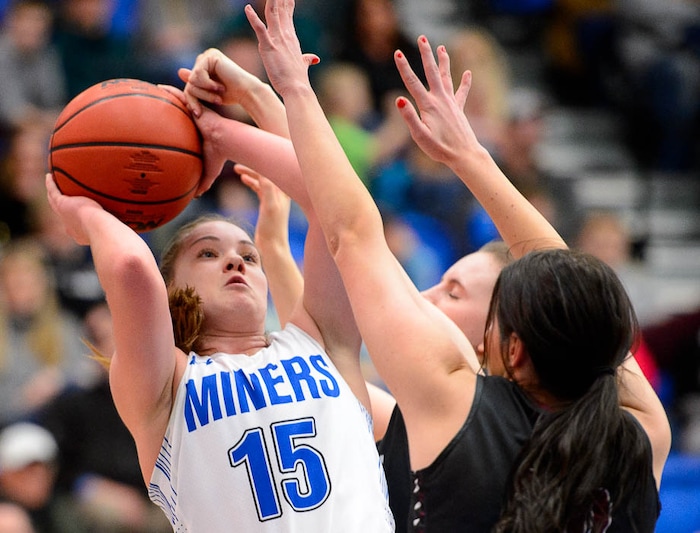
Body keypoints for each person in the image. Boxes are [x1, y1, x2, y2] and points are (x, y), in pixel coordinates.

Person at [231, 2, 671, 530]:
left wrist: (284, 92)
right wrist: (471, 156)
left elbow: (350, 239)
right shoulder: (642, 434)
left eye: (458, 293)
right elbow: (571, 292)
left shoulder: (449, 400)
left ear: (507, 346)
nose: (425, 297)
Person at [45, 89, 394, 532]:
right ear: (171, 289)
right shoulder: (166, 382)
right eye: (207, 254)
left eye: (249, 257)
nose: (235, 262)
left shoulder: (322, 341)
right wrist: (89, 216)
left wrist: (221, 133)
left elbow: (333, 201)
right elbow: (133, 267)